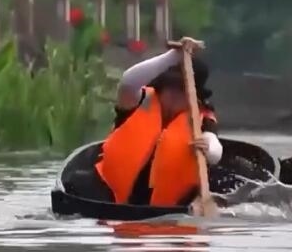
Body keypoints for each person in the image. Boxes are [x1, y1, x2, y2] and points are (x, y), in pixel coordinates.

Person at [92, 38, 223, 207]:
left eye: (182, 90)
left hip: (171, 205)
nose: (174, 95)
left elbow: (215, 149)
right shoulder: (139, 100)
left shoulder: (202, 119)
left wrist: (208, 148)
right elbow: (128, 81)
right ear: (161, 89)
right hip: (109, 194)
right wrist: (174, 56)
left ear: (194, 96)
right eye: (170, 88)